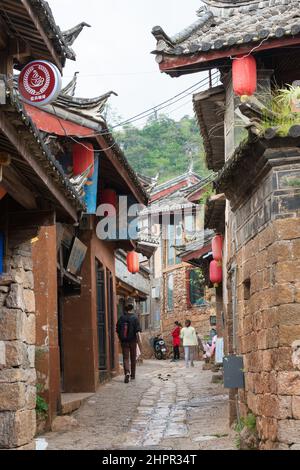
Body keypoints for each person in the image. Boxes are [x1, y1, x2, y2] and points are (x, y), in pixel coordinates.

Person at [116, 304, 142, 384]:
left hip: (124, 341)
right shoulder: (135, 318)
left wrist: (120, 339)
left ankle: (127, 372)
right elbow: (138, 331)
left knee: (126, 358)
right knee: (133, 358)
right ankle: (133, 375)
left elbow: (117, 329)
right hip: (133, 341)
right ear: (132, 309)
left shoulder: (121, 318)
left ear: (125, 309)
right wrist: (139, 342)